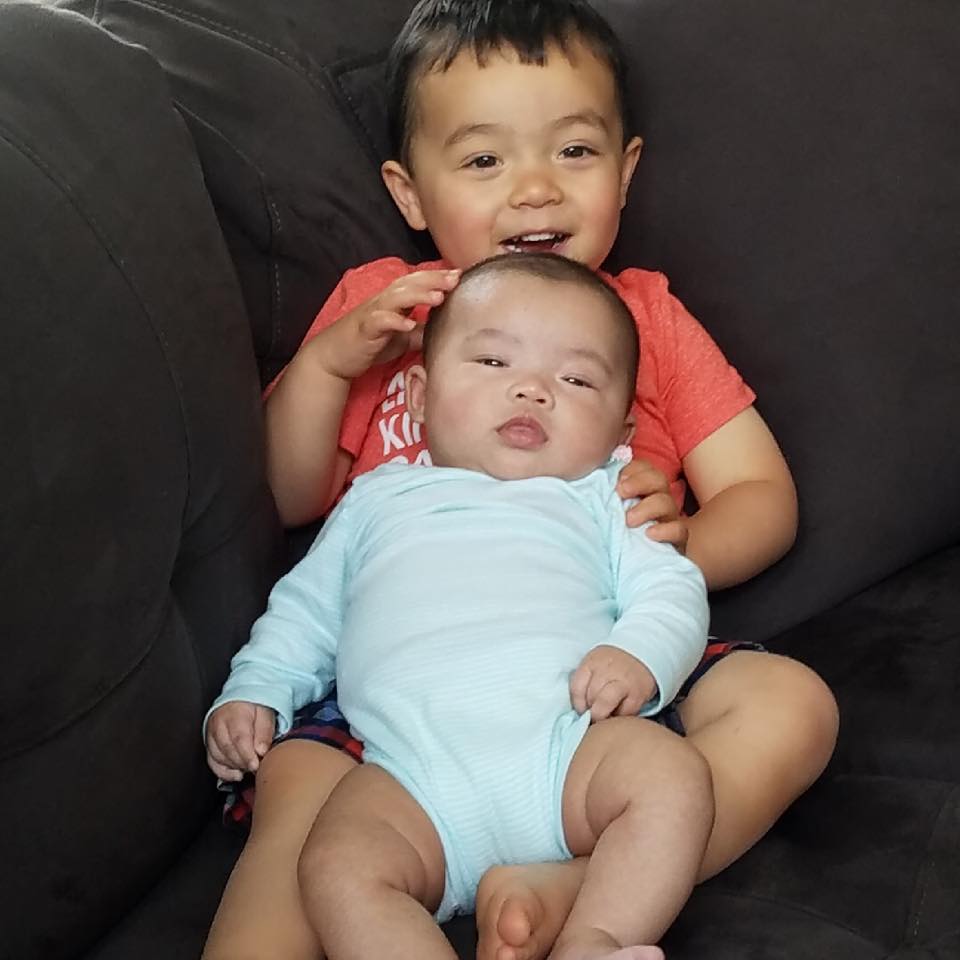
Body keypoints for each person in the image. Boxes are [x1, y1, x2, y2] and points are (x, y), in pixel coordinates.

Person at [201, 2, 839, 959]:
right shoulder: (383, 313)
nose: (534, 191)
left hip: (604, 671)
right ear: (410, 192)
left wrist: (670, 549)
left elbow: (764, 498)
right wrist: (332, 365)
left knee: (793, 708)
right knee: (302, 823)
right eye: (484, 159)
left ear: (625, 171)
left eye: (573, 153)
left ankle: (579, 889)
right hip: (393, 700)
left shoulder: (646, 317)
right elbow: (288, 502)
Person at [207, 252, 716, 960]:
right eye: (492, 364)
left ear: (621, 430)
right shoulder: (376, 499)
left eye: (575, 379)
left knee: (672, 778)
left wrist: (640, 655)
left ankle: (595, 939)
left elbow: (671, 588)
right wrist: (256, 690)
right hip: (410, 776)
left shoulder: (607, 493)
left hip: (566, 749)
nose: (534, 391)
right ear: (417, 396)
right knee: (335, 864)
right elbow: (305, 613)